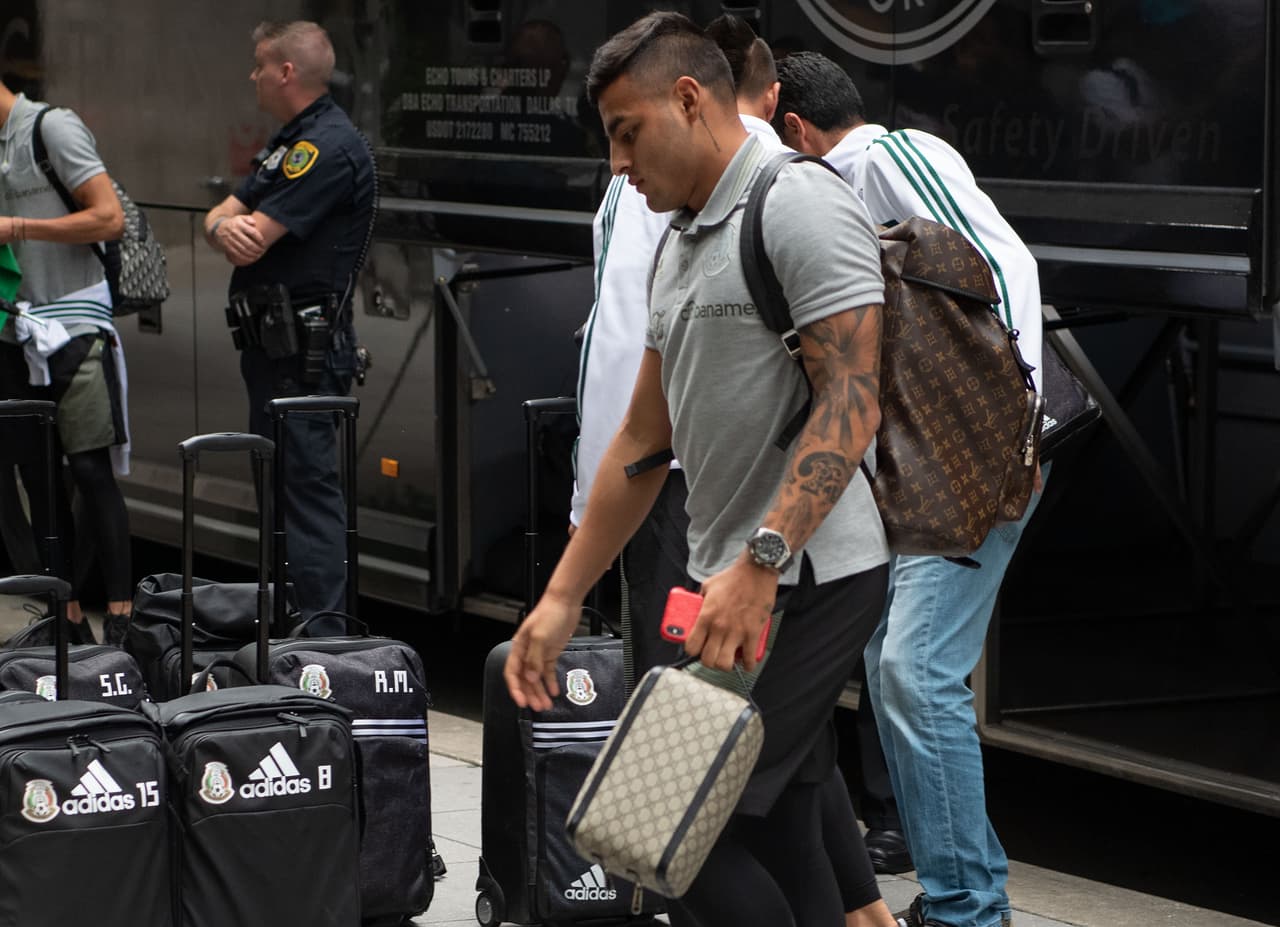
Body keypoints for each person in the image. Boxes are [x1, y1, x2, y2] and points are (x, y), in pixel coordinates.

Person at [507, 13, 889, 927]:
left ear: (687, 99)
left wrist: (762, 563)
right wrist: (561, 597)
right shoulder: (678, 242)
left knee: (678, 826)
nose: (618, 163)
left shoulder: (796, 202)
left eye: (626, 132)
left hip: (811, 576)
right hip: (728, 578)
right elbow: (643, 442)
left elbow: (852, 401)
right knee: (785, 824)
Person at [773, 51, 1048, 927]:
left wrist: (1012, 426)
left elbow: (1005, 266)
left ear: (795, 127)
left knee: (913, 671)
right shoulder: (834, 187)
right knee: (894, 669)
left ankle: (970, 906)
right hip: (923, 462)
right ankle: (957, 891)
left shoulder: (890, 156)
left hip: (972, 456)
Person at [203, 20, 374, 631]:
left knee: (305, 496)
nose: (251, 76)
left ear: (286, 71)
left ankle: (322, 641)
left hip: (304, 353)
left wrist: (228, 226)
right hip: (274, 350)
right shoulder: (290, 141)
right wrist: (221, 225)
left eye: (258, 65)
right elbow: (222, 216)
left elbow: (254, 234)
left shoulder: (325, 148)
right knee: (279, 496)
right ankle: (289, 632)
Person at [0, 79, 132, 645]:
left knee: (90, 471)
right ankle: (68, 619)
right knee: (38, 479)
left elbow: (109, 218)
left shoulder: (50, 126)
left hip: (76, 326)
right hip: (15, 333)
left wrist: (18, 227)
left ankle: (123, 621)